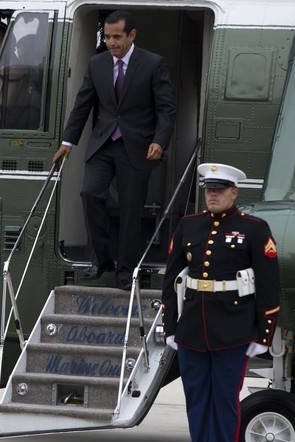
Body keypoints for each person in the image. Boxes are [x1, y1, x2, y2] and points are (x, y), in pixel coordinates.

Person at [162, 163, 281, 442]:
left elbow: (269, 286)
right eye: (208, 189)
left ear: (234, 192)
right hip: (192, 330)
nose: (212, 195)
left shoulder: (255, 229)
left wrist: (263, 334)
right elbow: (172, 280)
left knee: (225, 401)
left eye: (219, 189)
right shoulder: (188, 225)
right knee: (196, 400)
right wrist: (169, 327)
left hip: (234, 329)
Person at [52, 10, 176, 290]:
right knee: (90, 193)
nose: (111, 42)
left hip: (137, 146)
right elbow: (82, 104)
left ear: (131, 35)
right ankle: (102, 259)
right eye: (107, 37)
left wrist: (160, 140)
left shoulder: (154, 64)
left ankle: (125, 270)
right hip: (103, 143)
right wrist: (67, 142)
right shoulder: (96, 64)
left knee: (131, 210)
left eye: (116, 37)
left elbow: (167, 109)